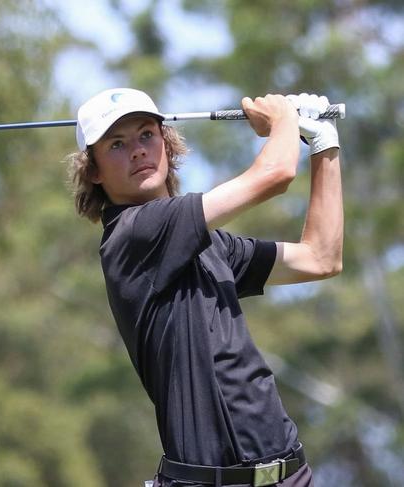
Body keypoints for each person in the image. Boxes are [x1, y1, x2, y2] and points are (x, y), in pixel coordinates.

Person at [66, 88, 342, 486]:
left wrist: (323, 145)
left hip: (289, 474)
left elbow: (321, 257)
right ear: (93, 170)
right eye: (117, 144)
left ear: (166, 142)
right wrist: (283, 119)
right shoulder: (132, 235)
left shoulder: (211, 244)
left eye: (146, 134)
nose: (138, 151)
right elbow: (275, 175)